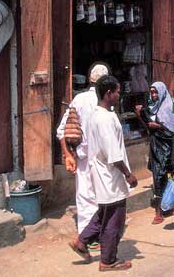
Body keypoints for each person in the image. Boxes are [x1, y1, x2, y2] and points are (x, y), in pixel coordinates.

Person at [68, 75, 137, 272]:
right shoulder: (104, 118)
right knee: (114, 220)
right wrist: (128, 175)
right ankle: (108, 260)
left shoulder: (97, 115)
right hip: (110, 176)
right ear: (108, 93)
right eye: (117, 92)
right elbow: (113, 154)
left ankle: (82, 241)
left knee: (103, 214)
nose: (118, 95)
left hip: (102, 174)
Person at [56, 63, 108, 241]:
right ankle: (97, 235)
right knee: (103, 195)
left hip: (83, 157)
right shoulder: (106, 101)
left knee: (85, 197)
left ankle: (87, 238)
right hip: (103, 158)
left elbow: (61, 131)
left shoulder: (79, 100)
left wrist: (68, 154)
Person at [135, 82, 174, 224]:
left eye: (156, 92)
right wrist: (140, 116)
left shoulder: (170, 107)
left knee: (170, 176)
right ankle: (159, 212)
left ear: (162, 92)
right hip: (157, 148)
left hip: (169, 147)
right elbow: (148, 128)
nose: (154, 95)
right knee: (158, 177)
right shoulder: (151, 108)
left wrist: (158, 126)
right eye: (152, 92)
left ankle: (171, 205)